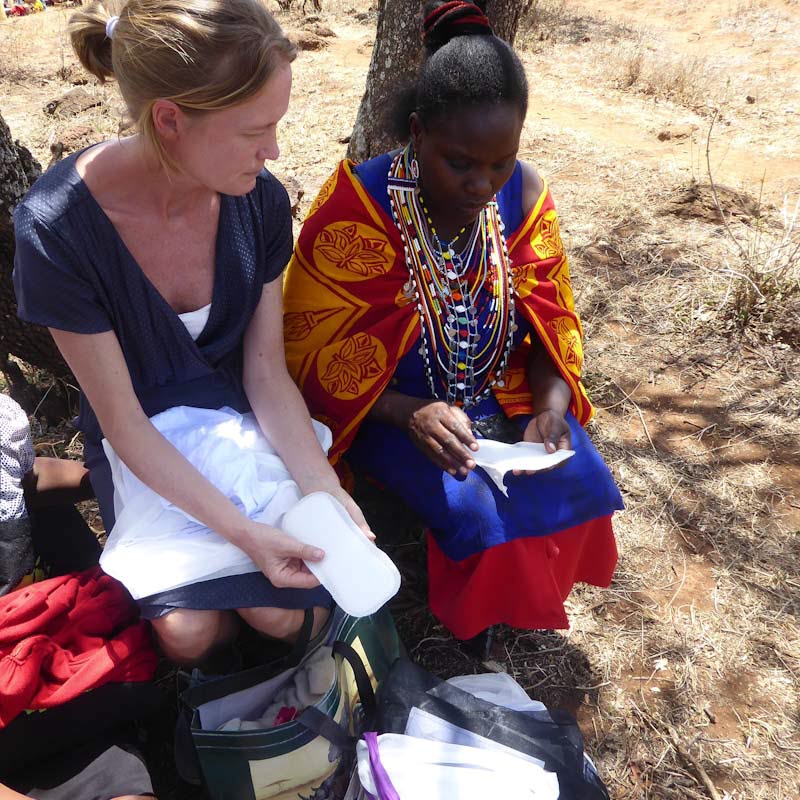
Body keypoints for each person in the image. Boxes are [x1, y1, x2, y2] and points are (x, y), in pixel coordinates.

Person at [13, 0, 369, 669]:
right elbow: (123, 422)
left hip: (239, 418)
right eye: (254, 131)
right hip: (143, 441)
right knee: (188, 635)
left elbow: (264, 372)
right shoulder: (57, 230)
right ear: (170, 121)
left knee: (284, 605)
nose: (275, 152)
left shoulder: (256, 200)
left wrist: (323, 488)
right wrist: (243, 533)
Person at [283, 0, 624, 652]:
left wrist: (550, 408)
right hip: (383, 414)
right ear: (417, 133)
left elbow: (551, 321)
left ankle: (520, 606)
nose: (483, 185)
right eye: (461, 163)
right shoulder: (359, 207)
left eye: (501, 163)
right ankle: (473, 624)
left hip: (499, 394)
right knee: (475, 510)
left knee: (581, 475)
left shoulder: (522, 196)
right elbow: (306, 356)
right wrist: (410, 411)